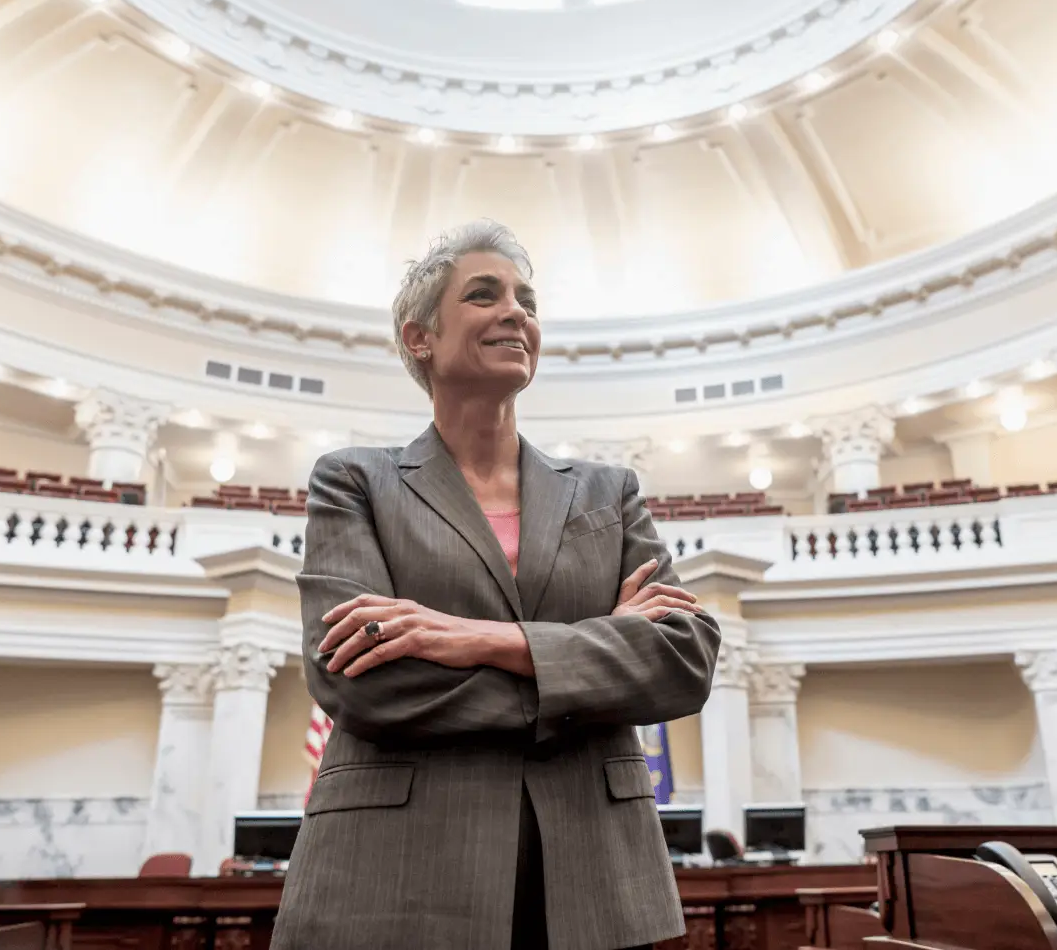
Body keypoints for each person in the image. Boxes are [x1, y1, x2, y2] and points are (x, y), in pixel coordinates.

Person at [270, 220, 722, 950]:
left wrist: (482, 640)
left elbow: (684, 661)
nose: (517, 312)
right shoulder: (354, 480)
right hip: (396, 874)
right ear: (420, 337)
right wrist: (592, 666)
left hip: (594, 874)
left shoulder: (609, 492)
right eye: (485, 295)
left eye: (527, 300)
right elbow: (358, 680)